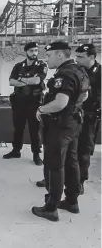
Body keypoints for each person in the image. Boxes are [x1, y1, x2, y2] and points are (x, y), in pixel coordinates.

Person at [32, 41, 89, 222]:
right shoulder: (80, 71)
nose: (45, 58)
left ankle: (51, 208)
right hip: (73, 123)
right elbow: (85, 95)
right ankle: (72, 201)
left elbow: (60, 103)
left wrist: (41, 110)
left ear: (59, 55)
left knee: (55, 165)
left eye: (48, 55)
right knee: (72, 162)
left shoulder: (64, 74)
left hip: (60, 125)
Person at [4, 42, 47, 165]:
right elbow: (11, 82)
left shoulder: (41, 65)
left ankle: (36, 154)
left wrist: (21, 79)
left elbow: (37, 80)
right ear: (26, 52)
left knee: (35, 129)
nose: (34, 53)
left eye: (36, 50)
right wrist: (28, 82)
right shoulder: (18, 66)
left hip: (34, 102)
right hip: (19, 102)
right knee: (18, 128)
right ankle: (16, 150)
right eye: (32, 51)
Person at [75, 44, 101, 194]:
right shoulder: (77, 70)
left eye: (80, 57)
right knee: (66, 147)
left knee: (84, 150)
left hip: (89, 117)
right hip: (74, 114)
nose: (76, 59)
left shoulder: (100, 72)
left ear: (91, 57)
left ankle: (80, 181)